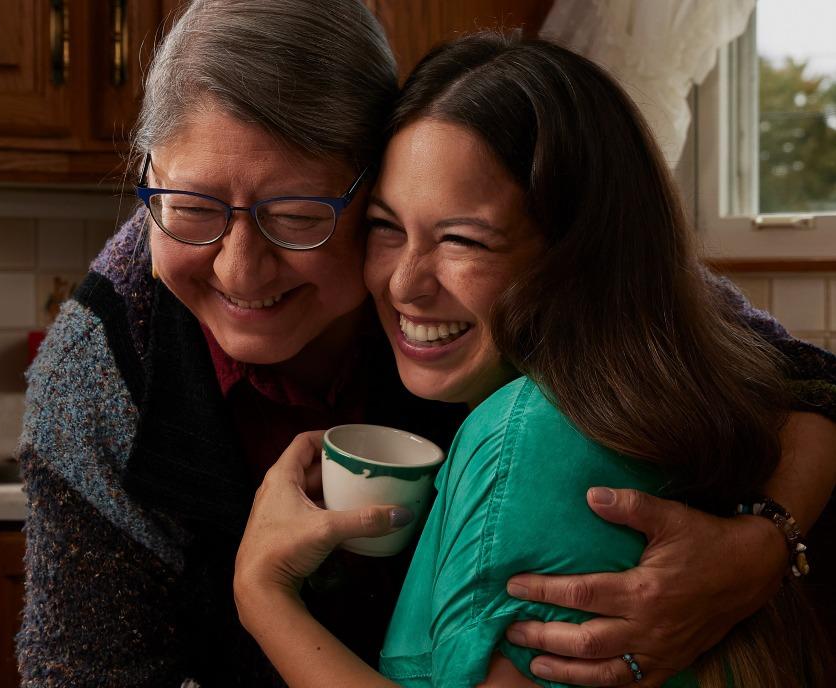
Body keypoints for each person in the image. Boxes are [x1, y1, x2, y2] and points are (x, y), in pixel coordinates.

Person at [15, 2, 836, 686]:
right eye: (190, 207)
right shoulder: (106, 355)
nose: (239, 267)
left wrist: (762, 544)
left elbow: (805, 386)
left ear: (376, 173)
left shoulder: (534, 341)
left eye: (297, 214)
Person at [233, 34, 836, 687]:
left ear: (576, 257)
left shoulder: (525, 443)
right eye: (386, 226)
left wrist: (263, 597)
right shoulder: (628, 388)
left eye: (463, 239)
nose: (404, 283)